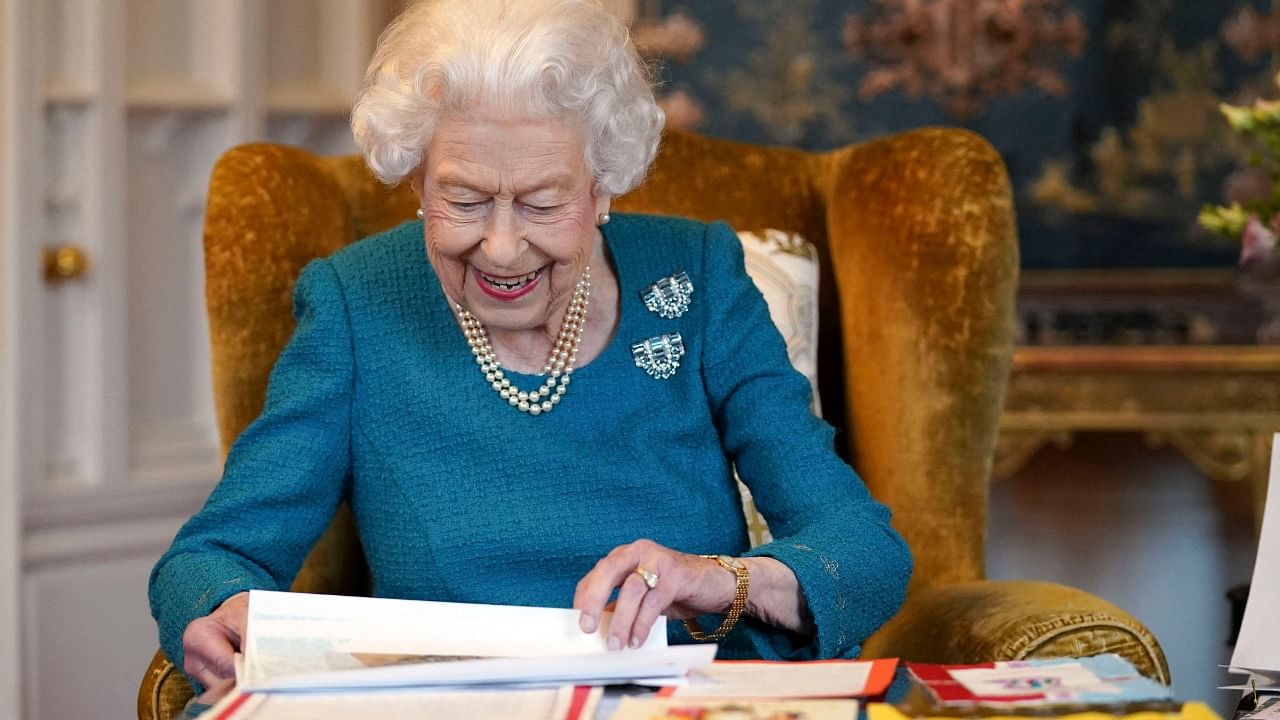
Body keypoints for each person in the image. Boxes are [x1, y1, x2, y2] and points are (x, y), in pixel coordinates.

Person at [149, 0, 912, 696]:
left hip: (687, 705)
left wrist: (720, 580)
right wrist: (220, 608)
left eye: (543, 203)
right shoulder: (359, 304)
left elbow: (865, 551)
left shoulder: (698, 276)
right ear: (417, 178)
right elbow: (210, 556)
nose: (503, 249)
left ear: (602, 185)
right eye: (465, 200)